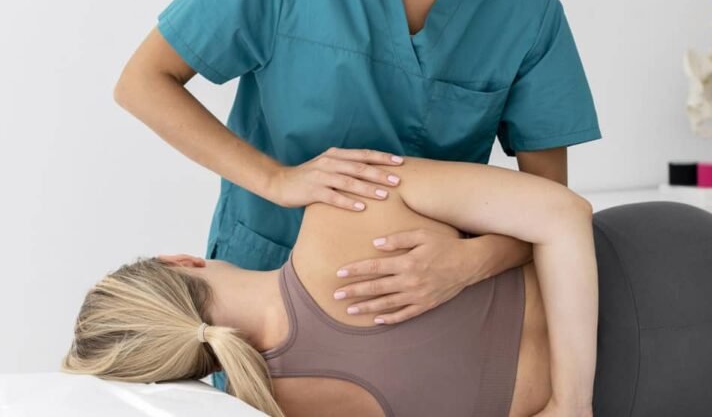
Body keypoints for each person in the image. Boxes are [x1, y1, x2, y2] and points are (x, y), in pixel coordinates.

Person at [112, 0, 601, 390]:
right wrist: (276, 179)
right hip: (259, 288)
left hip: (425, 308)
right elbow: (143, 82)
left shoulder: (528, 12)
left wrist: (470, 261)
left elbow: (552, 204)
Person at [63, 156, 598, 417]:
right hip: (654, 267)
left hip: (648, 396)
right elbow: (566, 214)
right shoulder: (341, 204)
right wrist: (572, 402)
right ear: (179, 261)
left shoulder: (287, 408)